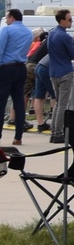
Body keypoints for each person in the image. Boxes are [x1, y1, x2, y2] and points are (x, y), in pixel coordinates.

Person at [0, 8, 34, 145]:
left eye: (7, 18)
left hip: (6, 68)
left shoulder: (7, 30)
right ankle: (18, 136)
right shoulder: (28, 32)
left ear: (12, 17)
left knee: (1, 103)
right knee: (19, 102)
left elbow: (0, 49)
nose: (7, 21)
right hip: (21, 67)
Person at [48, 9, 74, 144]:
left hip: (54, 71)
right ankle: (59, 132)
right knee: (63, 104)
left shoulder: (51, 34)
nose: (71, 22)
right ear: (62, 21)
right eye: (69, 19)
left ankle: (54, 131)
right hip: (65, 71)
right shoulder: (65, 37)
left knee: (57, 103)